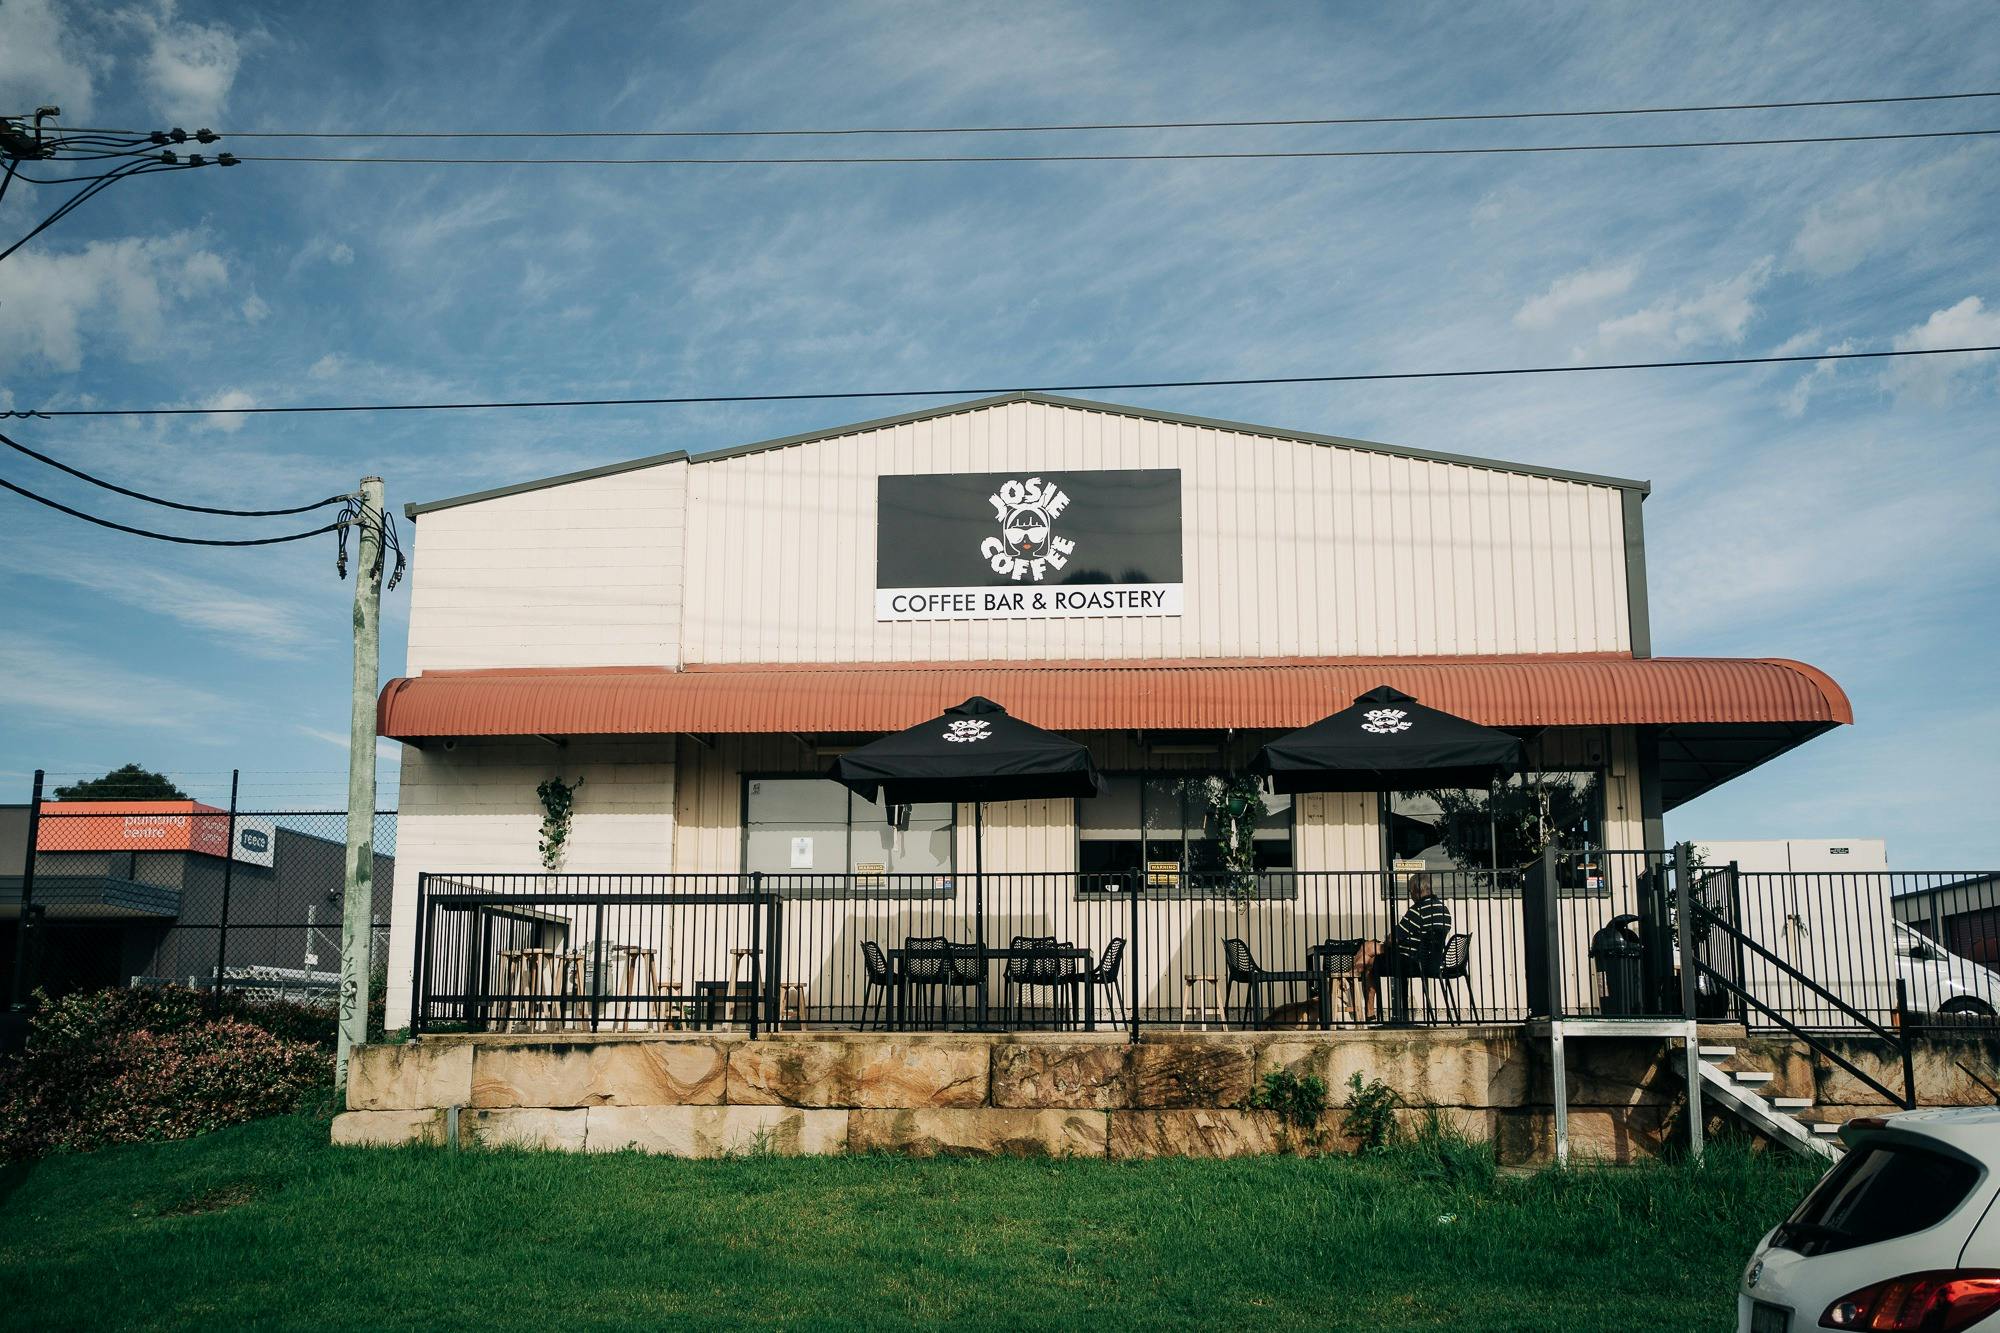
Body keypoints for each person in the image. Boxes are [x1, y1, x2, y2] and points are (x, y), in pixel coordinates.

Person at [1354, 873, 1454, 1021]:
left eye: (1410, 892)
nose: (1411, 896)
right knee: (1368, 950)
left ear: (1415, 889)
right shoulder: (1444, 910)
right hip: (1433, 962)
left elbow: (1393, 939)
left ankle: (1351, 983)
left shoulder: (1418, 910)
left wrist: (1391, 937)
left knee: (1369, 958)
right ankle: (1353, 983)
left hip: (1411, 961)